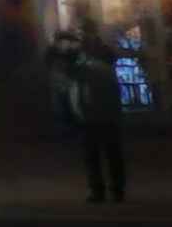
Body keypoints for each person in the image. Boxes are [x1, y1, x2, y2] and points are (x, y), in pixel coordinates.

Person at [56, 27, 130, 203]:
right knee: (110, 154)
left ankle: (100, 191)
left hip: (93, 117)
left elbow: (78, 95)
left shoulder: (81, 69)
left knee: (94, 155)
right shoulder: (94, 67)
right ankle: (115, 190)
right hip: (104, 116)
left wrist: (74, 117)